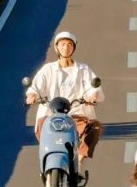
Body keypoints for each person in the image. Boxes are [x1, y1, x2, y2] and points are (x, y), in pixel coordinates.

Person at [26, 30, 103, 161]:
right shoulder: (47, 69)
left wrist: (93, 95)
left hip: (76, 115)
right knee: (41, 126)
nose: (66, 48)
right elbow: (35, 87)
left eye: (69, 44)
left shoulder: (83, 69)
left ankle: (79, 158)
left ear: (74, 47)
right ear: (56, 47)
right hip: (51, 115)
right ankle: (48, 158)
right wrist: (32, 96)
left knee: (95, 126)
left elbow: (94, 86)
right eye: (62, 44)